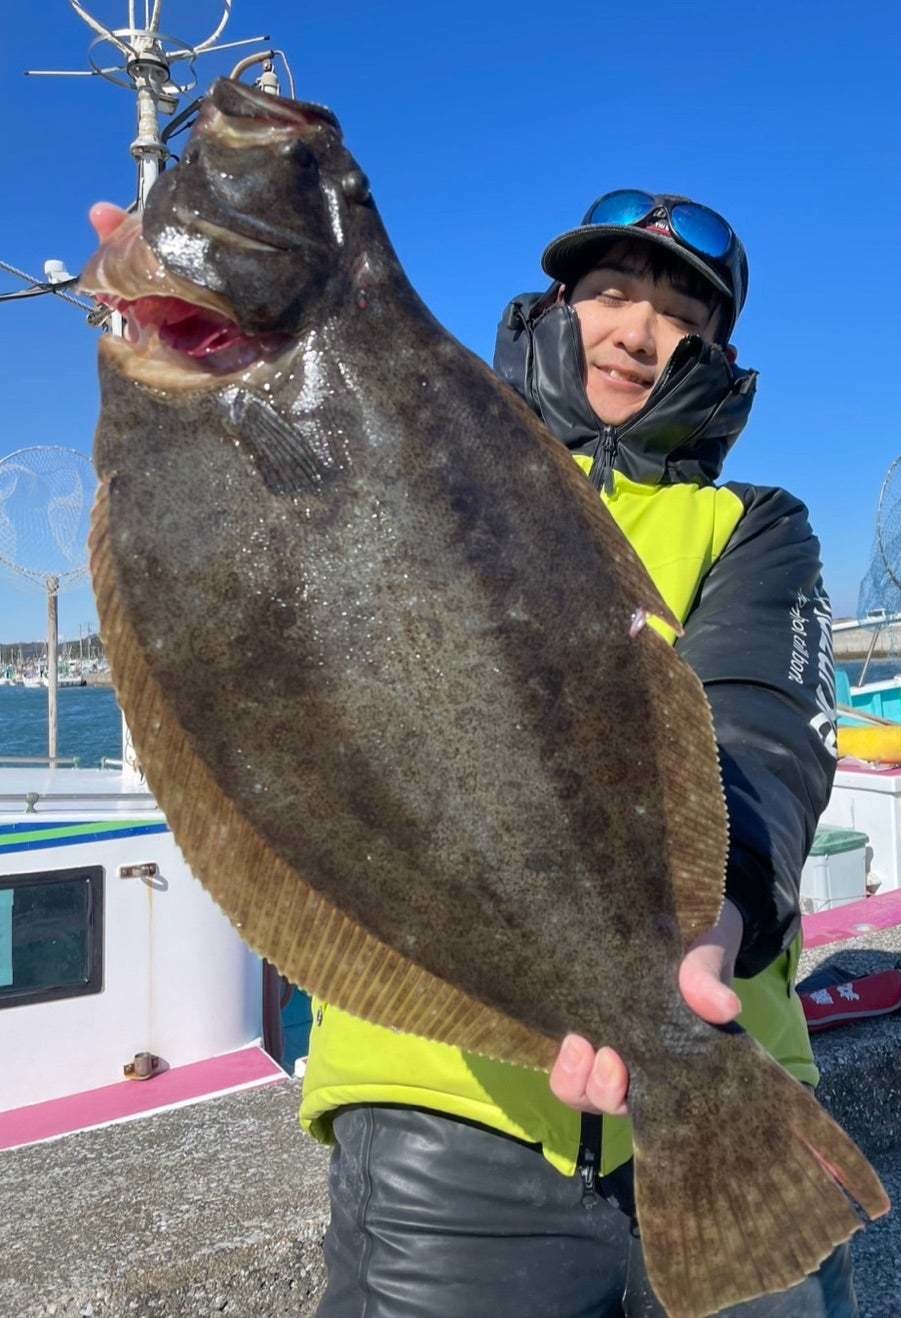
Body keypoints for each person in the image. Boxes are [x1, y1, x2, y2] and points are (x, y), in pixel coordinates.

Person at [87, 191, 848, 1315]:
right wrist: (176, 326)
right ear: (555, 307)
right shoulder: (413, 448)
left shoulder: (751, 525)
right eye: (611, 294)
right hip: (444, 1114)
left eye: (683, 317)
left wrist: (716, 917)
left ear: (718, 359)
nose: (638, 333)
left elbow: (763, 729)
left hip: (719, 1051)